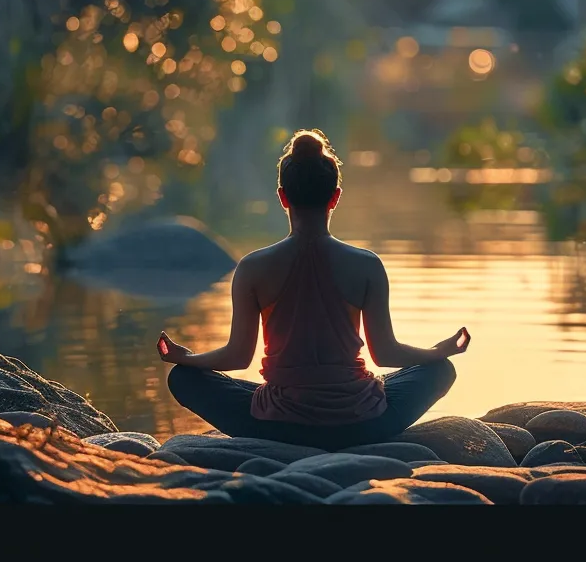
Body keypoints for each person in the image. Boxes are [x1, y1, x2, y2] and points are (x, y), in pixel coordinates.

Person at [157, 129, 470, 451]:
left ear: (282, 197)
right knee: (440, 371)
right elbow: (386, 353)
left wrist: (189, 358)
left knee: (183, 378)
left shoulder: (253, 266)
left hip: (276, 425)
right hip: (362, 423)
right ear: (335, 196)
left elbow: (237, 356)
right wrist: (438, 352)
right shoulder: (366, 264)